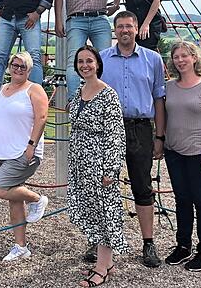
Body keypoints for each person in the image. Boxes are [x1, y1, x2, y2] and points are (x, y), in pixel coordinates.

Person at [99, 11, 166, 268]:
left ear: (136, 29)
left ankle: (148, 242)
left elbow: (159, 99)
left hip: (140, 128)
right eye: (120, 27)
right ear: (114, 30)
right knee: (104, 185)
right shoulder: (102, 59)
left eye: (129, 26)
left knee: (142, 184)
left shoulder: (153, 59)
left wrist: (159, 136)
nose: (125, 31)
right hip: (110, 127)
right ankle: (102, 239)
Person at [68, 45, 128, 287]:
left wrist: (111, 169)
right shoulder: (80, 91)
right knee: (92, 211)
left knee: (104, 214)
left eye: (89, 61)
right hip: (81, 161)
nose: (85, 65)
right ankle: (108, 262)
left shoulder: (108, 95)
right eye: (81, 61)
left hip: (100, 161)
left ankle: (101, 268)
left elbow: (115, 134)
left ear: (98, 64)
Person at [163, 41, 201, 272]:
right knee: (182, 199)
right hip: (175, 150)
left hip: (200, 151)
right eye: (176, 57)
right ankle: (183, 244)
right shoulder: (169, 87)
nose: (180, 60)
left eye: (184, 56)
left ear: (194, 58)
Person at [0, 51, 49, 261]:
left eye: (23, 66)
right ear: (10, 66)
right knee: (13, 197)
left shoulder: (34, 89)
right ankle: (20, 246)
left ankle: (38, 199)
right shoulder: (3, 89)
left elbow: (41, 118)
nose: (18, 69)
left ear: (29, 70)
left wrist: (32, 144)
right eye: (15, 65)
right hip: (1, 150)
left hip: (22, 150)